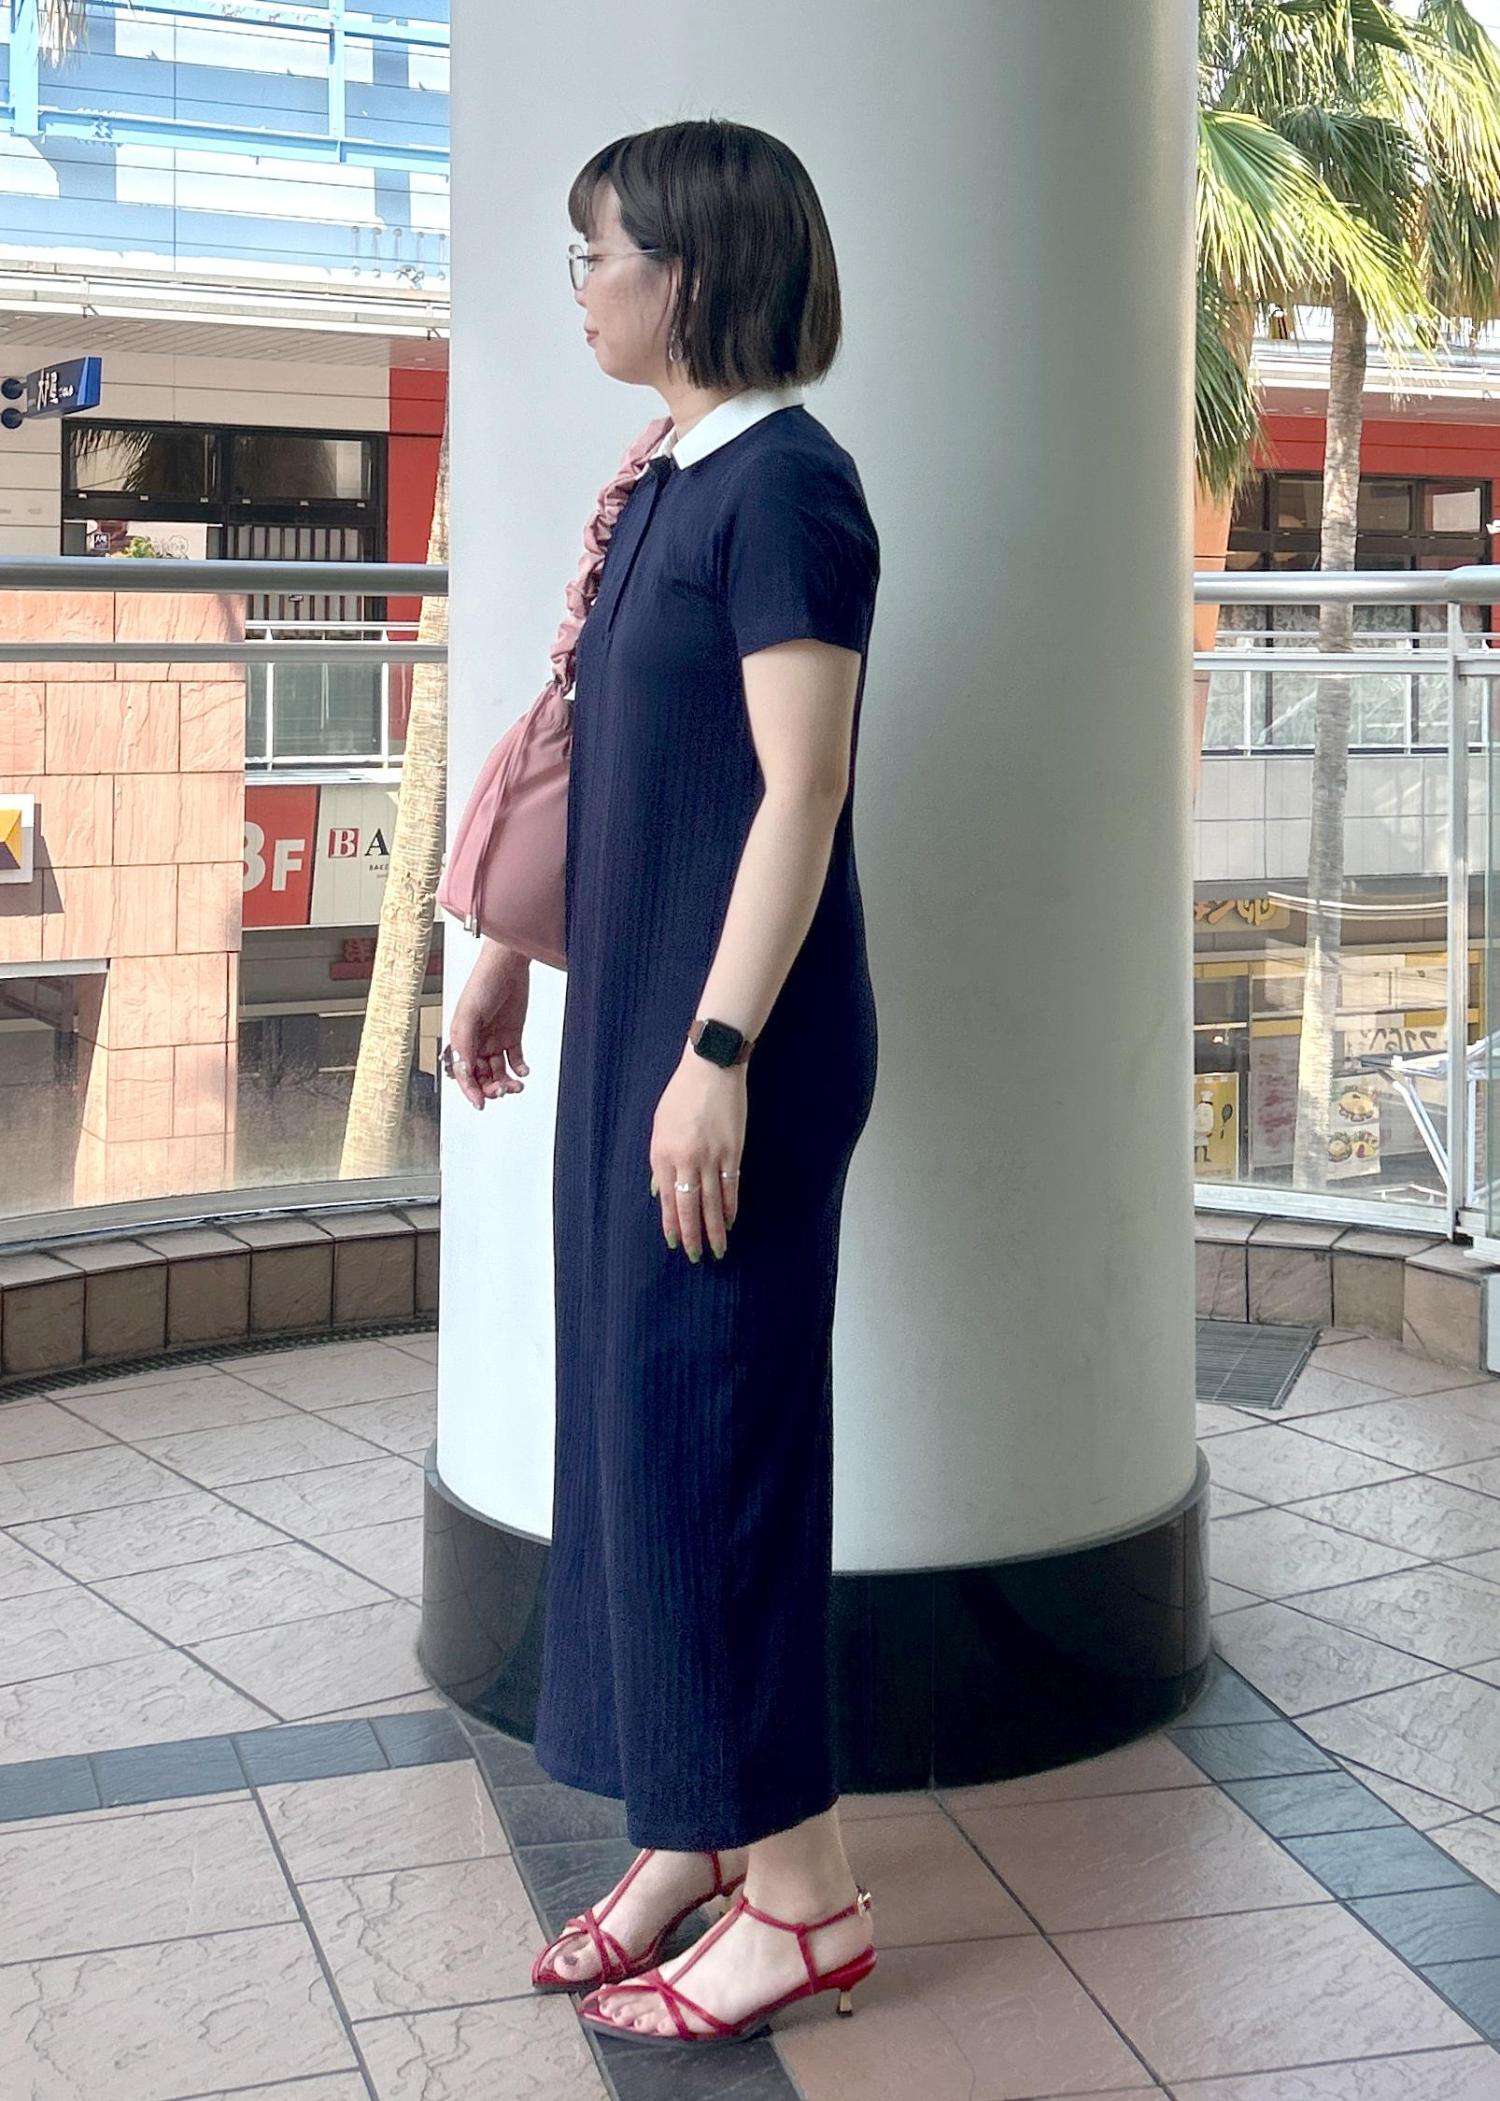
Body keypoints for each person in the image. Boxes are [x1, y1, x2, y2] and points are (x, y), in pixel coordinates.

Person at [444, 117, 882, 2046]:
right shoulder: (666, 479)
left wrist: (716, 1056)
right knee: (636, 1440)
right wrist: (504, 944)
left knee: (717, 1447)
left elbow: (801, 790)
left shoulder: (787, 488)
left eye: (597, 251)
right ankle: (691, 1832)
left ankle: (806, 1895)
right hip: (643, 1026)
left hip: (734, 1050)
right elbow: (615, 761)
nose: (580, 284)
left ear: (690, 270)